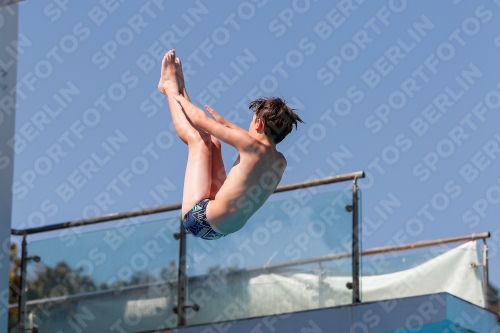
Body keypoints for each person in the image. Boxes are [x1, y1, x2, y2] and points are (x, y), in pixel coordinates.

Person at [158, 49, 304, 240]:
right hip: (221, 230)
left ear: (259, 124)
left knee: (198, 140)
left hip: (198, 219)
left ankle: (168, 87)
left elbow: (199, 119)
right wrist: (225, 123)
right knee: (214, 143)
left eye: (252, 121)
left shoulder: (250, 146)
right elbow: (249, 138)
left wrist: (175, 95)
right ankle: (179, 85)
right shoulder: (279, 161)